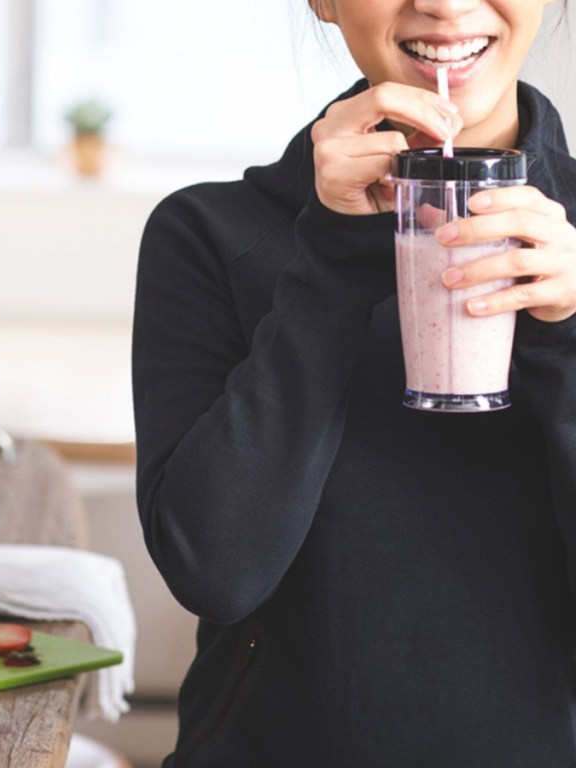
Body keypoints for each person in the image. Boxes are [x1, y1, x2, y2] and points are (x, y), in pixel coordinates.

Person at [131, 0, 576, 765]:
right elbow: (214, 572)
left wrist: (566, 339)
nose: (443, 2)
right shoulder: (206, 234)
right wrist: (331, 263)